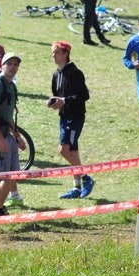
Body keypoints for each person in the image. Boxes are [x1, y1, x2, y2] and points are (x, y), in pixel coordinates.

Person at [49, 41, 92, 199]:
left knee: (63, 150)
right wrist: (54, 102)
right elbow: (57, 95)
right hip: (64, 116)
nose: (54, 56)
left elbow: (84, 95)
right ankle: (76, 187)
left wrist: (65, 101)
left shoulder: (74, 73)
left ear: (66, 54)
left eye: (57, 53)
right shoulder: (56, 74)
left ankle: (86, 177)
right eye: (53, 53)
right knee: (73, 151)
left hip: (75, 117)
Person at [0, 52, 24, 217]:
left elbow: (7, 115)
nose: (12, 67)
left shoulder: (11, 85)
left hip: (7, 134)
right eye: (9, 64)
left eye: (15, 65)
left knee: (12, 174)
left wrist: (17, 135)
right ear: (2, 66)